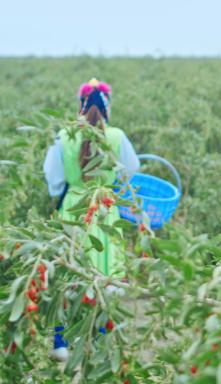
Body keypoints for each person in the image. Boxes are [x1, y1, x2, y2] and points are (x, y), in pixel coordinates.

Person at [42, 78, 139, 360]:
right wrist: (111, 186)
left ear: (80, 106)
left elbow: (53, 178)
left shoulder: (64, 135)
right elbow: (131, 170)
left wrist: (66, 191)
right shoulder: (117, 136)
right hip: (105, 207)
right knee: (104, 272)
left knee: (68, 270)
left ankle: (61, 342)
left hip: (75, 208)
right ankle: (100, 341)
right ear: (108, 107)